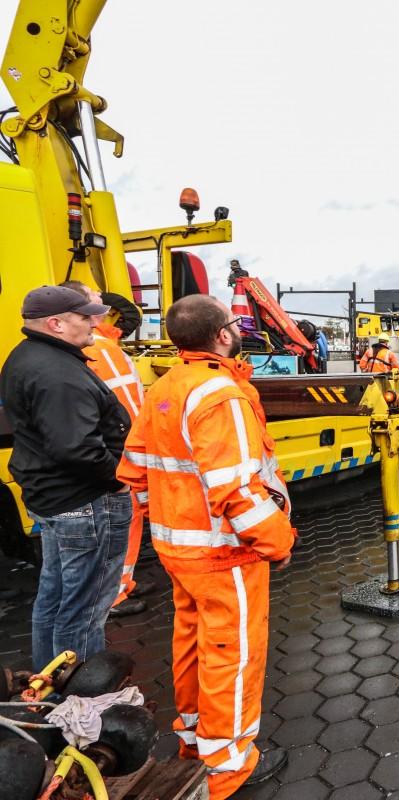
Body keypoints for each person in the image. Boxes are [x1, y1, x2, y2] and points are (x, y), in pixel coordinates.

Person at [117, 295, 294, 797]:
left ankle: (196, 742)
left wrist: (167, 523)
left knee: (194, 645)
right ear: (221, 336)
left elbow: (135, 472)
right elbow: (237, 491)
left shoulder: (166, 387)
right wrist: (277, 543)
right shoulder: (222, 396)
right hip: (225, 556)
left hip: (181, 552)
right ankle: (228, 768)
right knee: (232, 657)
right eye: (233, 325)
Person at [0, 286, 131, 669]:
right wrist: (118, 478)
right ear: (55, 324)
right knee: (84, 608)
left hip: (57, 500)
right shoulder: (58, 374)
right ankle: (81, 703)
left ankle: (50, 684)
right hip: (85, 503)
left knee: (56, 598)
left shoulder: (27, 356)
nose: (94, 322)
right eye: (85, 316)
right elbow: (77, 449)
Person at [62, 281, 151, 617]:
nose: (104, 304)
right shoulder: (96, 350)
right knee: (119, 524)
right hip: (120, 453)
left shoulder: (100, 346)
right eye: (97, 300)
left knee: (129, 521)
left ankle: (123, 584)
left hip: (123, 450)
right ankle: (113, 594)